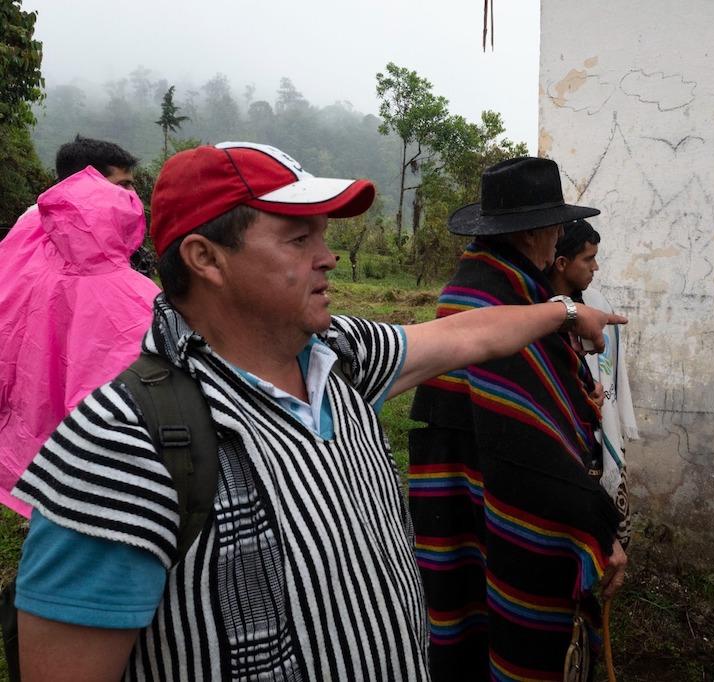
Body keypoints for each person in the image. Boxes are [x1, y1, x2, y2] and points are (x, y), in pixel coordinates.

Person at [11, 142, 624, 682]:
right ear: (206, 259)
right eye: (299, 238)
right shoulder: (118, 449)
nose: (328, 256)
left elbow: (470, 336)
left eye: (324, 235)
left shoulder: (340, 357)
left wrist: (565, 313)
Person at [408, 157, 628, 680]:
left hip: (463, 488)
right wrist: (596, 528)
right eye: (554, 226)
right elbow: (529, 439)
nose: (558, 237)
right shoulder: (501, 300)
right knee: (514, 626)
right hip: (499, 484)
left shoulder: (483, 287)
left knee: (468, 611)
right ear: (536, 231)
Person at [0, 136, 154, 518]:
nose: (133, 195)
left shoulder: (32, 222)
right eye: (123, 185)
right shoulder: (83, 246)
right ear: (88, 183)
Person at [547, 219, 639, 548]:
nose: (595, 267)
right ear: (561, 263)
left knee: (605, 528)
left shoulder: (598, 304)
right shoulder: (538, 312)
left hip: (600, 427)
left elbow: (610, 368)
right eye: (588, 259)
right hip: (562, 436)